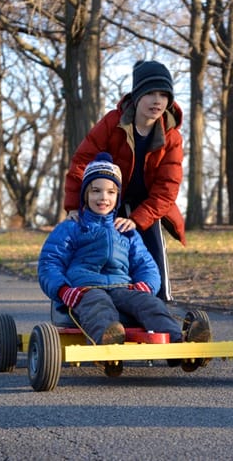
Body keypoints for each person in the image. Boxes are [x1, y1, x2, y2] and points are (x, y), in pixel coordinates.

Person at [38, 153, 208, 347]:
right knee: (99, 305)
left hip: (122, 288)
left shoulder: (125, 230)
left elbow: (146, 265)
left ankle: (179, 341)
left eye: (111, 192)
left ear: (118, 196)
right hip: (85, 289)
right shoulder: (71, 227)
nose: (103, 197)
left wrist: (146, 286)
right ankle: (109, 339)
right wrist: (63, 290)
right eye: (96, 191)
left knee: (149, 304)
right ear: (85, 194)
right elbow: (49, 263)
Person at [64, 60, 185, 302]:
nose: (157, 101)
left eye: (163, 95)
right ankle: (85, 297)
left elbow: (167, 188)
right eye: (150, 93)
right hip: (108, 195)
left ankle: (158, 302)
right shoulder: (112, 123)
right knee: (98, 243)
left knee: (150, 247)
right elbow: (82, 162)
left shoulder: (171, 136)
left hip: (147, 203)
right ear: (137, 95)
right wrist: (74, 206)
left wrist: (137, 219)